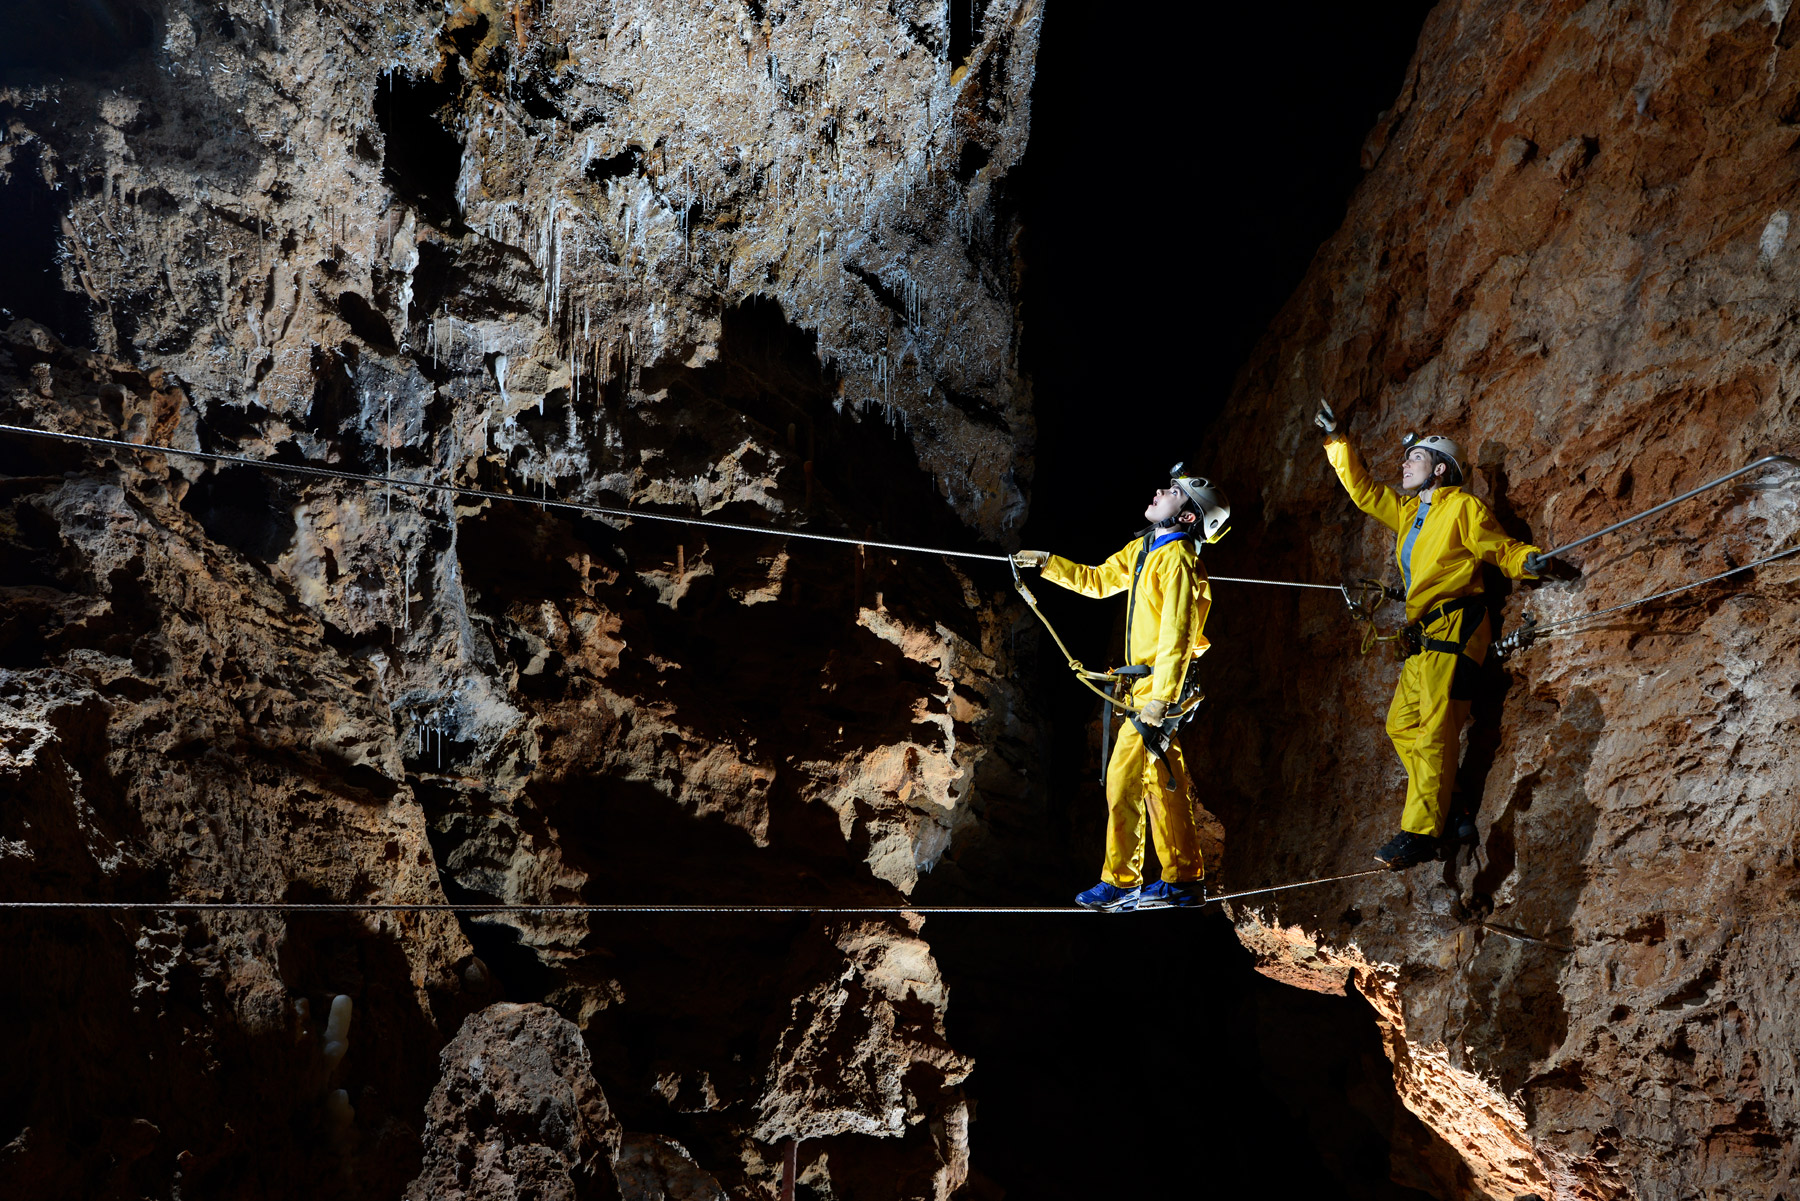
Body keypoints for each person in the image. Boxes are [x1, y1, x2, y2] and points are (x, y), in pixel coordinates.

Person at [1314, 400, 1549, 869]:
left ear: (1440, 469)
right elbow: (1364, 492)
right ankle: (1454, 804)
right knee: (1401, 725)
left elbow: (1497, 547)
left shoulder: (1462, 506)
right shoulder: (1408, 512)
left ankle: (1420, 833)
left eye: (1415, 458)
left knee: (1434, 731)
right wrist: (1337, 441)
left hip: (1458, 625)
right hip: (1424, 636)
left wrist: (1526, 561)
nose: (1405, 464)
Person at [1014, 465, 1229, 911]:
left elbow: (1178, 637)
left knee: (1123, 777)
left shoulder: (1179, 562)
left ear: (1189, 516)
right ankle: (1185, 880)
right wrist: (1048, 564)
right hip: (1146, 690)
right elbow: (1097, 581)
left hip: (1160, 692)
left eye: (1173, 492)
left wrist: (1160, 701)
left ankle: (1123, 882)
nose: (1160, 491)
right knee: (1163, 781)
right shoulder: (1146, 548)